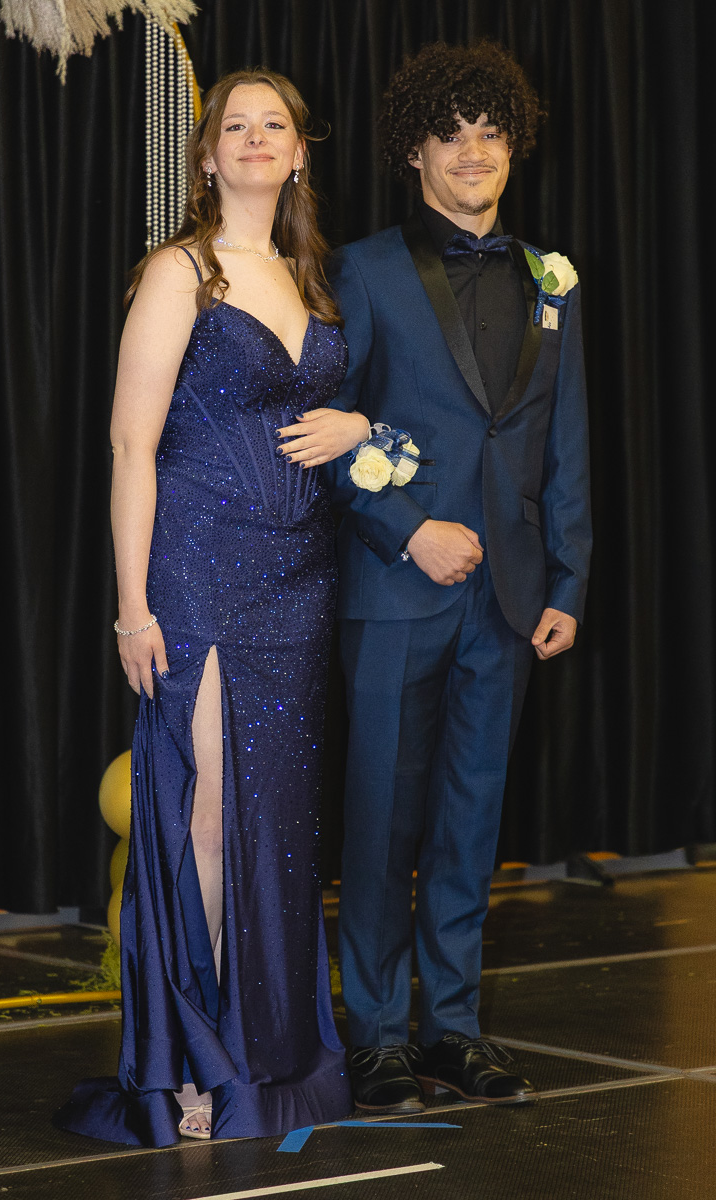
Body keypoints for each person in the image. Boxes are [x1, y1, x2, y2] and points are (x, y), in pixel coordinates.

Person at [55, 68, 366, 1146]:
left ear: (298, 152)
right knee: (201, 811)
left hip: (301, 574)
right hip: (197, 568)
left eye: (272, 125)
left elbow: (323, 423)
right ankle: (194, 1061)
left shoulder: (309, 278)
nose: (253, 139)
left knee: (277, 825)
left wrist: (359, 427)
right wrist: (132, 606)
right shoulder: (179, 271)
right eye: (232, 125)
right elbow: (129, 445)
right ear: (203, 154)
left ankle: (267, 1051)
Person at [322, 41, 592, 1113]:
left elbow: (562, 441)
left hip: (511, 602)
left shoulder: (547, 278)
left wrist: (567, 582)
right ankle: (375, 1037)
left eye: (491, 133)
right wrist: (404, 528)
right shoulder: (363, 268)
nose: (473, 151)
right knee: (383, 825)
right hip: (396, 591)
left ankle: (451, 1030)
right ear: (413, 148)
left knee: (469, 824)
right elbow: (324, 428)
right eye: (452, 133)